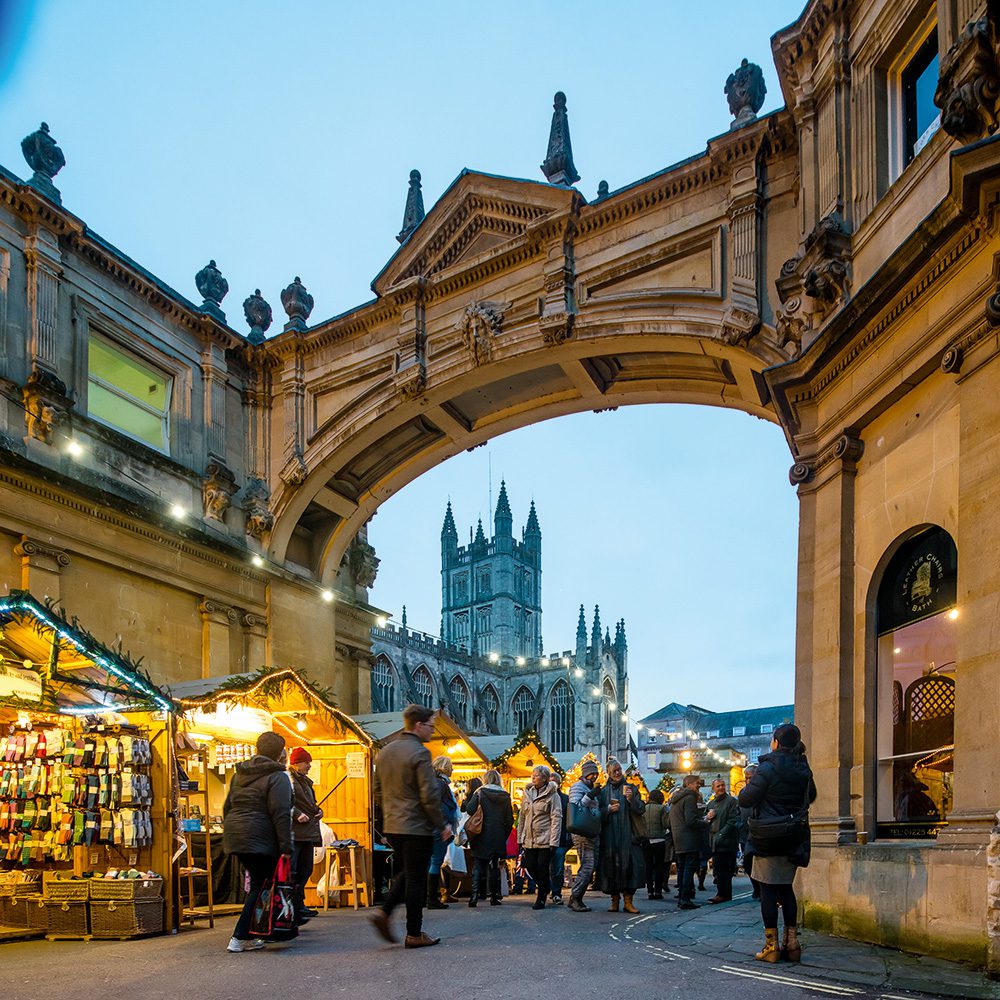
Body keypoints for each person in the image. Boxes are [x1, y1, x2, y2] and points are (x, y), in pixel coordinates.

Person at [370, 704, 452, 949]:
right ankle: (414, 933)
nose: (432, 731)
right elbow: (428, 794)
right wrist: (441, 824)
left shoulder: (385, 751)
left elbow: (376, 791)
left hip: (393, 825)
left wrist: (388, 814)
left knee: (406, 873)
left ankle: (384, 913)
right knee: (416, 878)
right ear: (418, 725)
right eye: (430, 726)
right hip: (416, 826)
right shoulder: (419, 752)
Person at [738, 724, 816, 964]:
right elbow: (811, 796)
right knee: (786, 889)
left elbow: (745, 798)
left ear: (775, 742)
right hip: (793, 834)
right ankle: (791, 944)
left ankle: (771, 947)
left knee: (768, 891)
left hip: (768, 835)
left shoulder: (768, 767)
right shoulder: (803, 767)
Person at [222, 730, 294, 953]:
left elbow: (227, 807)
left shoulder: (239, 775)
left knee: (258, 884)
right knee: (260, 885)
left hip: (236, 834)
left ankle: (255, 933)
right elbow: (280, 813)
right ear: (280, 753)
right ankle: (240, 936)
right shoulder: (277, 777)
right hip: (261, 837)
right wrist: (286, 846)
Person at [597, 758, 646, 914]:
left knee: (629, 868)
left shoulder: (631, 788)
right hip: (610, 837)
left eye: (619, 770)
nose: (618, 773)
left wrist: (631, 800)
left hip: (628, 835)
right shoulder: (604, 792)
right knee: (611, 869)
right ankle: (614, 900)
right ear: (609, 774)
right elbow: (597, 814)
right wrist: (608, 810)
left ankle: (628, 901)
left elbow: (641, 809)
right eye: (614, 771)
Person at [463, 767, 513, 906]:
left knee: (478, 865)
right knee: (495, 865)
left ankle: (474, 896)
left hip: (481, 834)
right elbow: (509, 820)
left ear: (486, 779)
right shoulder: (505, 796)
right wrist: (503, 834)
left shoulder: (480, 792)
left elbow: (470, 809)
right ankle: (494, 897)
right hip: (498, 835)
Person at [517, 764, 563, 910]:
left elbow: (557, 817)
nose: (533, 777)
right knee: (530, 866)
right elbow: (522, 817)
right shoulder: (527, 793)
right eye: (533, 774)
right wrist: (520, 838)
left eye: (536, 775)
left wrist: (554, 841)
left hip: (545, 838)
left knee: (542, 868)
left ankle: (541, 898)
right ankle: (546, 886)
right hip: (529, 839)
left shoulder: (552, 794)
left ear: (544, 778)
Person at [288, 746, 323, 924]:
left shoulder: (305, 782)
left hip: (308, 832)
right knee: (293, 872)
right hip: (296, 833)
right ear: (296, 763)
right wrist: (296, 814)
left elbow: (312, 803)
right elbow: (284, 802)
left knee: (305, 869)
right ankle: (294, 906)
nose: (309, 765)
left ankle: (299, 904)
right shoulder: (289, 780)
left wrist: (319, 811)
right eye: (306, 762)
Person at [669, 773, 710, 910]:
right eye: (697, 783)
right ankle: (685, 899)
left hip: (678, 838)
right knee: (688, 869)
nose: (699, 785)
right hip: (689, 839)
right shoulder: (690, 798)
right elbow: (690, 821)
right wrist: (705, 821)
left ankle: (682, 897)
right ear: (689, 784)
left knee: (682, 868)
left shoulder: (675, 798)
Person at [567, 759, 601, 912]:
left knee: (591, 866)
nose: (594, 777)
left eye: (596, 774)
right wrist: (591, 795)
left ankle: (577, 897)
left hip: (592, 831)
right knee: (587, 866)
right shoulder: (577, 787)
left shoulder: (589, 787)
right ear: (585, 774)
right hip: (582, 832)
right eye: (591, 774)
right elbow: (577, 806)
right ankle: (575, 898)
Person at [426, 755, 459, 910]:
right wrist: (444, 825)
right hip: (438, 829)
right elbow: (439, 806)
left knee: (431, 862)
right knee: (435, 862)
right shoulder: (441, 784)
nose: (452, 769)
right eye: (451, 766)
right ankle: (431, 898)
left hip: (430, 828)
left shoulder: (432, 782)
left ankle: (428, 897)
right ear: (445, 767)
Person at [705, 778, 740, 903]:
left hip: (727, 841)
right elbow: (705, 820)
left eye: (722, 785)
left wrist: (721, 834)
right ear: (713, 788)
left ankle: (724, 894)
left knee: (725, 869)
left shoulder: (731, 801)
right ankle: (722, 893)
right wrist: (708, 817)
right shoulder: (711, 804)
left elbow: (733, 820)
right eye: (718, 786)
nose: (721, 788)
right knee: (719, 869)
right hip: (715, 842)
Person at [738, 764, 760, 899]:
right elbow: (738, 810)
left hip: (758, 832)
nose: (748, 781)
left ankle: (761, 889)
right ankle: (756, 887)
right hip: (745, 834)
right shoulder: (743, 792)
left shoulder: (762, 791)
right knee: (747, 863)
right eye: (746, 778)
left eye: (750, 778)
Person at [548, 776, 571, 905]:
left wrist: (568, 836)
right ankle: (548, 889)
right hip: (545, 838)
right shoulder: (544, 797)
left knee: (557, 867)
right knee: (545, 866)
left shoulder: (565, 799)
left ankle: (556, 893)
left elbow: (568, 820)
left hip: (561, 839)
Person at [643, 789, 668, 900]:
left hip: (646, 841)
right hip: (659, 840)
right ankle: (658, 891)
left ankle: (649, 891)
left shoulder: (644, 808)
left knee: (648, 866)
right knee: (659, 866)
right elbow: (665, 823)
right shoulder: (662, 808)